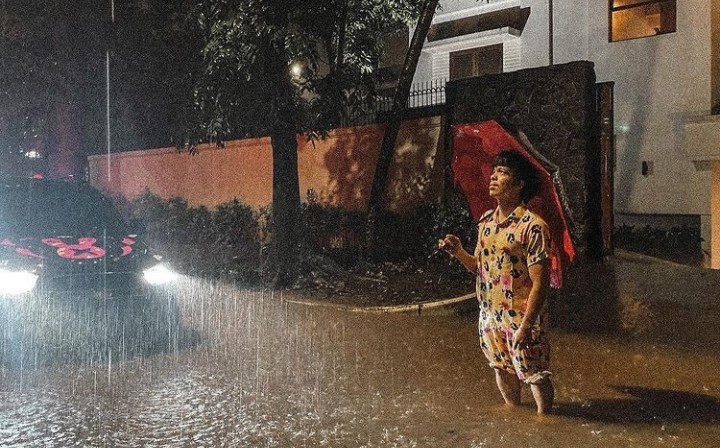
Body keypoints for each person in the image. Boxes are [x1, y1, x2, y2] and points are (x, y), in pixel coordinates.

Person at [439, 150, 555, 414]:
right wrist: (458, 252)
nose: (493, 176)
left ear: (519, 184)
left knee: (535, 374)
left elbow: (541, 283)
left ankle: (545, 424)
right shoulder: (486, 223)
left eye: (502, 173)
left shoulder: (533, 227)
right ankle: (514, 416)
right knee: (501, 368)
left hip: (522, 316)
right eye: (495, 171)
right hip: (491, 315)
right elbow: (479, 268)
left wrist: (526, 326)